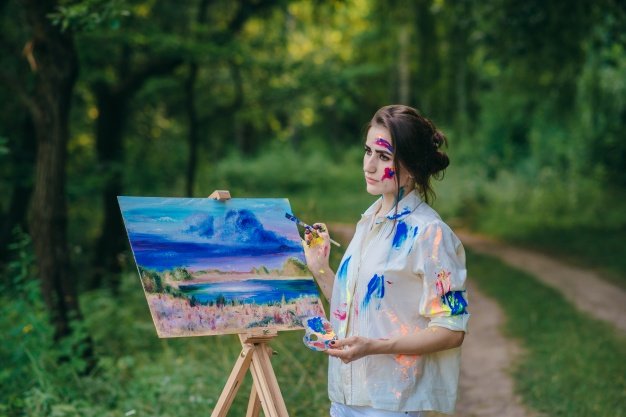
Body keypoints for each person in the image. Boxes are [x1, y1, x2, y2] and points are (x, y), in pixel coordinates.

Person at [303, 105, 469, 417]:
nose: (368, 165)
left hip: (392, 403)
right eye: (367, 152)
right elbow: (355, 307)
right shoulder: (369, 222)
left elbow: (452, 329)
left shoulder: (430, 234)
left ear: (411, 164)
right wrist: (321, 269)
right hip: (345, 398)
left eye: (382, 156)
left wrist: (374, 346)